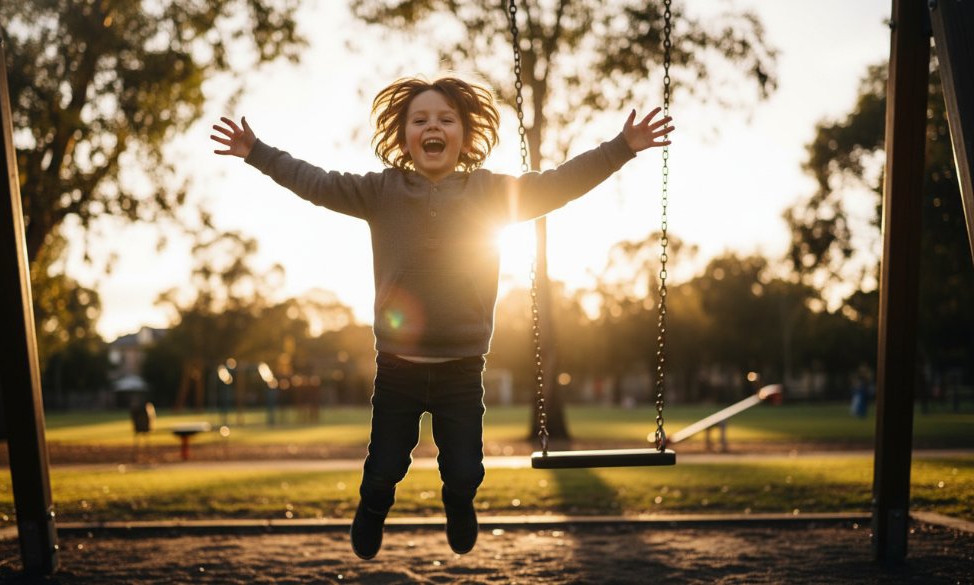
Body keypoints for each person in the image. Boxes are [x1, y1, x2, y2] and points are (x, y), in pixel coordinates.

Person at [210, 75, 674, 560]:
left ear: (465, 135)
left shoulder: (491, 192)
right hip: (397, 367)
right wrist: (257, 152)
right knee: (385, 464)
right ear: (404, 136)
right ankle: (372, 509)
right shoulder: (380, 192)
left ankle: (459, 503)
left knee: (466, 469)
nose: (434, 126)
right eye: (421, 120)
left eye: (446, 119)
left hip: (461, 366)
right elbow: (317, 183)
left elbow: (557, 185)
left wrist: (623, 147)